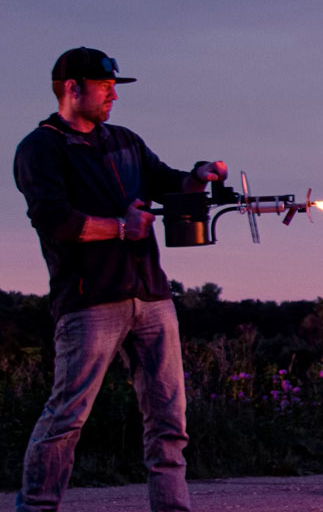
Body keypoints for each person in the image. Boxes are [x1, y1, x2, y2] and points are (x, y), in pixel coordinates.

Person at [12, 47, 227, 512]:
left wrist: (197, 177)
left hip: (151, 296)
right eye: (105, 87)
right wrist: (121, 227)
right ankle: (36, 508)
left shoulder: (124, 140)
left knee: (169, 421)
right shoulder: (39, 148)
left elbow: (166, 183)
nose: (113, 96)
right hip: (90, 303)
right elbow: (54, 219)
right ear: (73, 88)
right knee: (66, 418)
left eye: (114, 88)